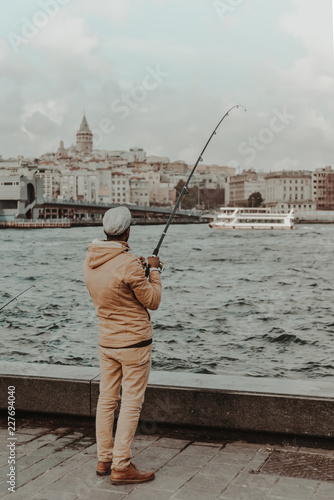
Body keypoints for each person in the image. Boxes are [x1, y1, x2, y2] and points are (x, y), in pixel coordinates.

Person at [83, 206, 162, 485]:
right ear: (128, 231)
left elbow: (115, 290)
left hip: (107, 341)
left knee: (106, 400)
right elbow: (152, 301)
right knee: (130, 403)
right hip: (134, 344)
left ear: (106, 231)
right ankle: (122, 465)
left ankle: (105, 458)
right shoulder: (128, 263)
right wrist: (153, 271)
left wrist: (137, 269)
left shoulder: (91, 259)